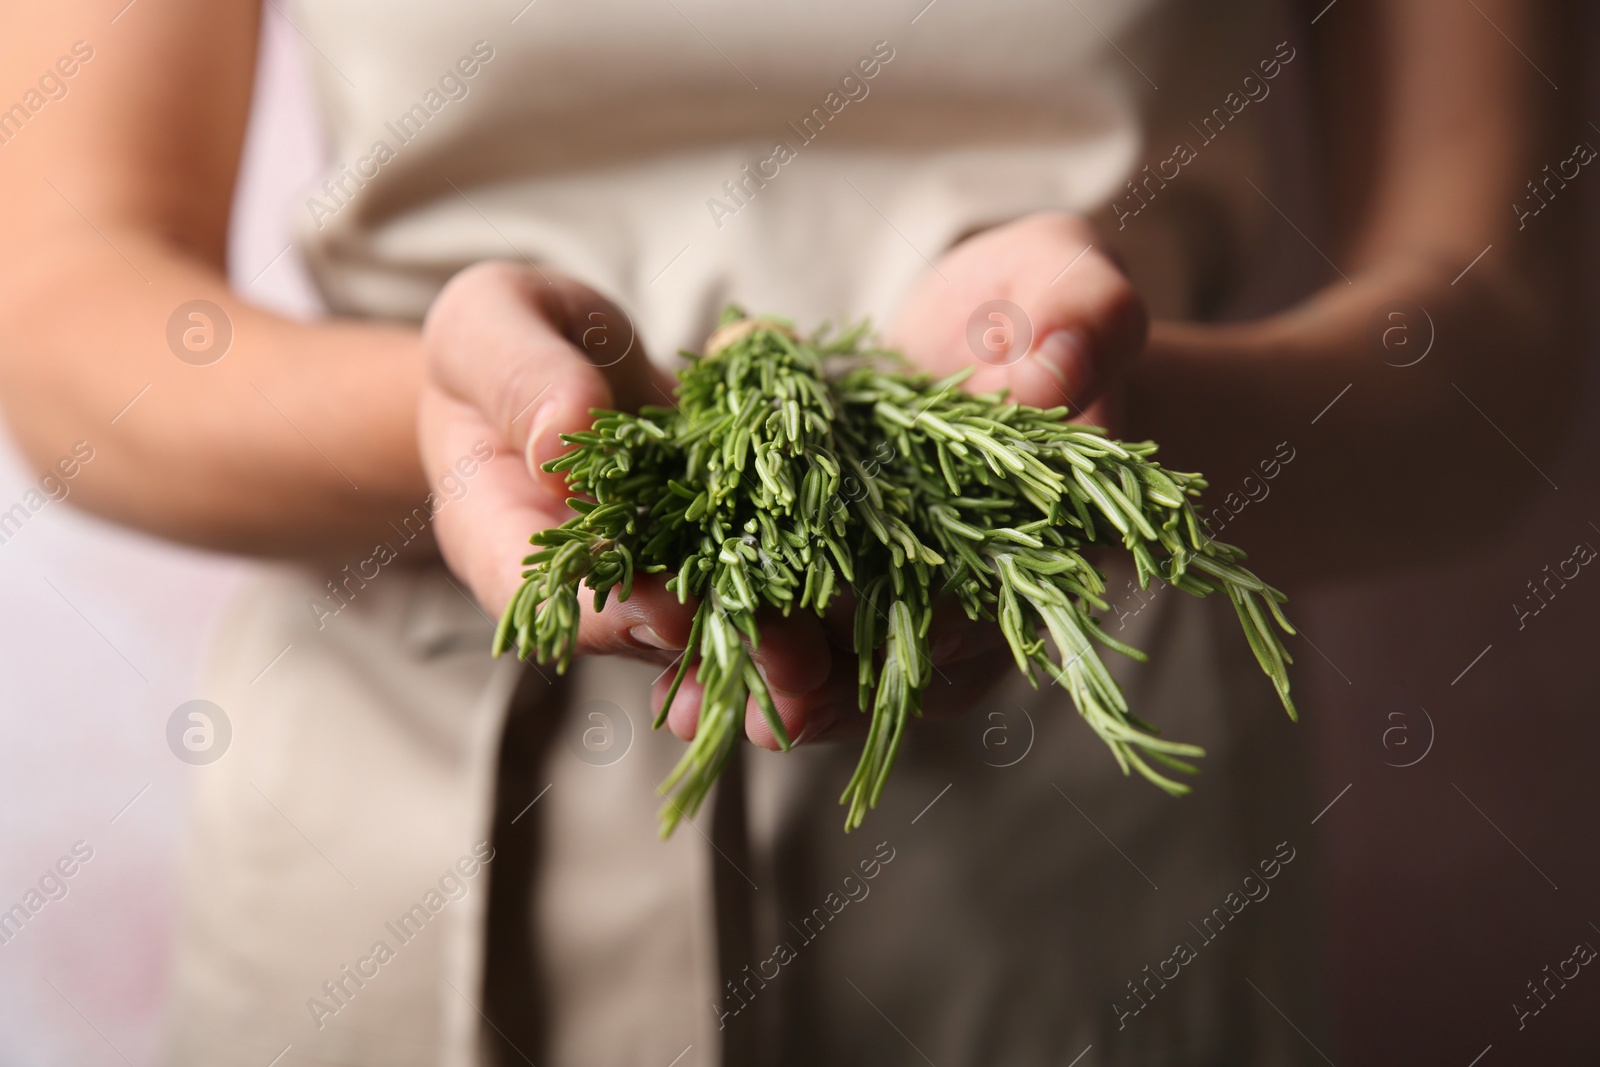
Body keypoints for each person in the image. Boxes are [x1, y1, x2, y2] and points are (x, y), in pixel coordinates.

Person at [0, 1, 1577, 1064]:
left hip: (1078, 842)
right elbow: (65, 320)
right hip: (396, 850)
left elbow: (1491, 349)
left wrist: (1082, 437)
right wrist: (464, 425)